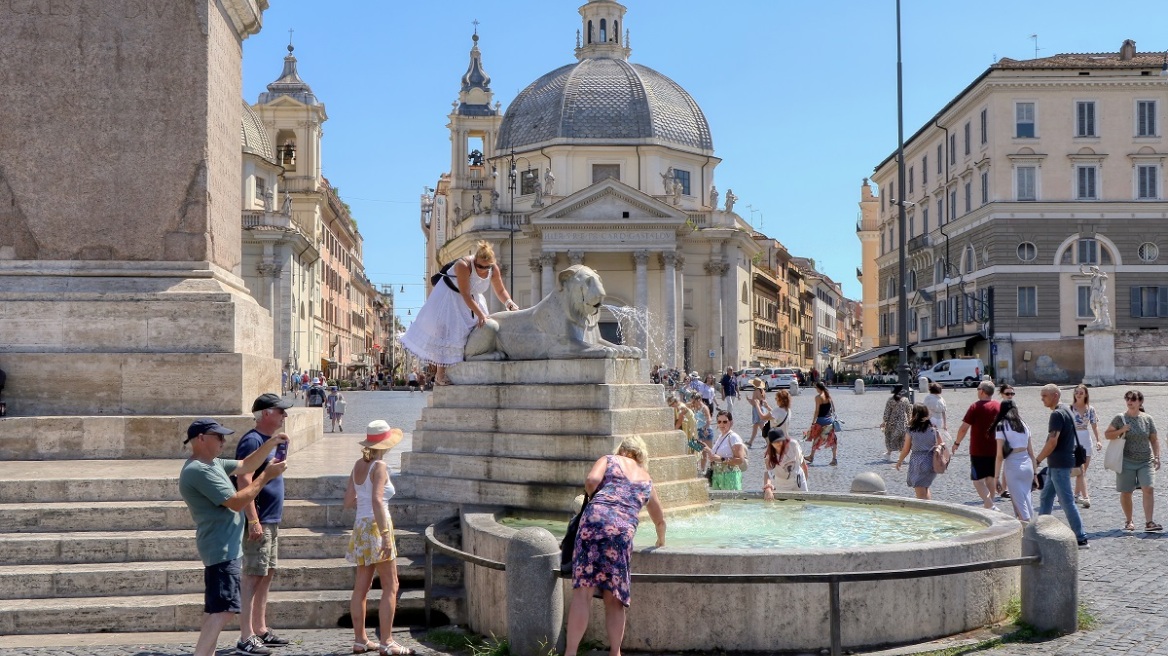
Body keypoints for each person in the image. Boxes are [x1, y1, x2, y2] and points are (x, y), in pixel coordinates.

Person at [179, 418, 288, 656]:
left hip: (224, 546)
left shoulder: (213, 463)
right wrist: (266, 476)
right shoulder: (199, 470)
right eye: (218, 437)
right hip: (220, 547)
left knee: (216, 611)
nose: (223, 441)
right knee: (224, 611)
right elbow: (238, 501)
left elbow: (247, 464)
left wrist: (270, 445)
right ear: (201, 439)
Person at [564, 437, 666, 656]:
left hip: (595, 522)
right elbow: (660, 520)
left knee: (583, 593)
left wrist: (595, 499)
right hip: (622, 532)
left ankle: (570, 652)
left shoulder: (609, 459)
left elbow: (592, 480)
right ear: (641, 456)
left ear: (621, 450)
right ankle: (615, 652)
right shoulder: (647, 480)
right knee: (614, 599)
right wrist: (661, 541)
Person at [401, 241, 518, 386]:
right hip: (450, 295)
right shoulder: (463, 265)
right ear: (475, 261)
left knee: (480, 329)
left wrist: (509, 303)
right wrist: (480, 314)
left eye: (487, 267)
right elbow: (465, 294)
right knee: (446, 331)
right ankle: (440, 375)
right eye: (480, 266)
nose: (483, 269)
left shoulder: (493, 269)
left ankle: (468, 365)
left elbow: (500, 291)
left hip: (474, 297)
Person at [344, 421, 415, 655]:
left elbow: (347, 502)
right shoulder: (380, 466)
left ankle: (360, 640)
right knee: (391, 585)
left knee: (361, 588)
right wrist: (385, 534)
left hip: (361, 526)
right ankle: (387, 642)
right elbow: (377, 500)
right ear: (385, 444)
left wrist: (362, 501)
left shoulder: (357, 465)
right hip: (377, 525)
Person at [233, 393, 295, 654]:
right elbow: (243, 479)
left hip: (271, 517)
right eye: (281, 411)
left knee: (266, 573)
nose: (285, 415)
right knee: (252, 575)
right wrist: (253, 519)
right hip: (259, 518)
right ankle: (246, 635)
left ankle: (260, 629)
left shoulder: (267, 442)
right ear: (267, 413)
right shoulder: (252, 441)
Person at [1035, 384, 1089, 548]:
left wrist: (1037, 460)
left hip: (1059, 464)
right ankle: (1039, 531)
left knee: (1066, 501)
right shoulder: (1066, 410)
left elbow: (1053, 440)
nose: (1042, 399)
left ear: (1055, 396)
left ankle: (1080, 537)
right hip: (1057, 463)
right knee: (1045, 497)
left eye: (1045, 396)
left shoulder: (1057, 414)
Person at [1104, 390, 1162, 533]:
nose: (1130, 402)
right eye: (1128, 399)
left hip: (1145, 460)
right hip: (1126, 461)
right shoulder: (1120, 418)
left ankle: (1149, 522)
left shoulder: (1147, 419)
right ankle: (1129, 521)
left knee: (1148, 488)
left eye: (1133, 399)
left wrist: (1157, 457)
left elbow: (1154, 440)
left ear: (1140, 402)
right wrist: (1121, 430)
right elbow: (1107, 434)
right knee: (1126, 492)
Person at [952, 381, 1001, 510]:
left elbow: (964, 428)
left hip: (978, 450)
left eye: (978, 388)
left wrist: (957, 443)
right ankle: (990, 506)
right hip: (995, 448)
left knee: (977, 481)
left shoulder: (975, 407)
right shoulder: (998, 406)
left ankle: (990, 505)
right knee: (990, 479)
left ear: (982, 391)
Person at [992, 400, 1036, 522]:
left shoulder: (1001, 426)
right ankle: (1024, 534)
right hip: (1027, 465)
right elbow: (1032, 453)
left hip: (1013, 466)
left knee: (1020, 506)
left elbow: (999, 456)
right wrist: (1035, 473)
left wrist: (996, 478)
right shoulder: (1024, 425)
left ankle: (1029, 534)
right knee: (1027, 501)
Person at [895, 404, 941, 500]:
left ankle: (925, 513)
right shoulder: (933, 429)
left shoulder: (912, 430)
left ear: (914, 415)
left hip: (918, 462)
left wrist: (899, 461)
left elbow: (906, 449)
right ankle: (930, 509)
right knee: (925, 487)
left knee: (920, 494)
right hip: (932, 461)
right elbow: (941, 444)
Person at [1069, 384, 1102, 509]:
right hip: (1073, 439)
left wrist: (1098, 440)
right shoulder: (1070, 408)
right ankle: (1086, 497)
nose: (1078, 394)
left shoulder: (1091, 409)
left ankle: (1076, 495)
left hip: (1086, 438)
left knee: (1082, 471)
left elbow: (1094, 425)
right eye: (1076, 392)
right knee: (1080, 469)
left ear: (1085, 395)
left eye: (1081, 393)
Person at [704, 410, 747, 490]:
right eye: (719, 422)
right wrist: (709, 450)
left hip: (730, 476)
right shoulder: (720, 437)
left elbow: (740, 460)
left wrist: (721, 459)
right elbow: (717, 455)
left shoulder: (734, 437)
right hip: (717, 475)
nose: (721, 424)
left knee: (730, 501)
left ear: (731, 422)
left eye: (725, 422)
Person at [762, 428, 808, 497]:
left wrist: (805, 474)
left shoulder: (793, 444)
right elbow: (768, 473)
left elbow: (801, 460)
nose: (778, 443)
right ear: (771, 443)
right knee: (783, 506)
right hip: (781, 483)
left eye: (780, 440)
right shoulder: (769, 455)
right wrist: (768, 488)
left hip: (798, 479)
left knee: (804, 501)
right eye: (775, 442)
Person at [806, 382, 837, 466]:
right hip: (829, 420)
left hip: (821, 420)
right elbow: (833, 408)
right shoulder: (828, 395)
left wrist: (813, 422)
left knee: (816, 437)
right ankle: (834, 459)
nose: (815, 389)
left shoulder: (818, 397)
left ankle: (811, 456)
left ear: (819, 388)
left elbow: (817, 411)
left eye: (816, 388)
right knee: (833, 439)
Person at [881, 385, 911, 461]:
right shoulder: (905, 400)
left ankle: (888, 454)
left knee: (890, 437)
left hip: (892, 423)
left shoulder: (890, 400)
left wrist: (884, 421)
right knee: (902, 439)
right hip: (903, 422)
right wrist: (909, 420)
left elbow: (887, 412)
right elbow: (909, 411)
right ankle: (902, 456)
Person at [686, 391, 713, 474]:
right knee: (695, 450)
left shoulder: (704, 408)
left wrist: (705, 429)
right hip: (697, 431)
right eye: (692, 401)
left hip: (705, 431)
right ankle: (696, 469)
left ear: (699, 399)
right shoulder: (694, 407)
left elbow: (709, 419)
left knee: (705, 452)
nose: (693, 403)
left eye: (694, 401)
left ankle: (703, 470)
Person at [746, 378, 769, 447]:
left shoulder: (755, 391)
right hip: (763, 408)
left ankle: (768, 442)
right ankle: (750, 442)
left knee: (762, 427)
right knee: (755, 427)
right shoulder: (763, 391)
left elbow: (754, 403)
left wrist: (748, 399)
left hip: (757, 410)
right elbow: (762, 401)